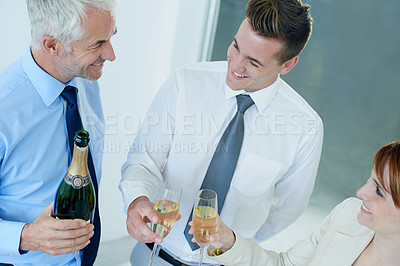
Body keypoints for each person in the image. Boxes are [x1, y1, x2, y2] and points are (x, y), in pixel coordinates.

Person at [119, 0, 323, 265]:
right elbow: (144, 158)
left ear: (288, 65)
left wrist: (235, 246)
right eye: (236, 46)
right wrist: (137, 200)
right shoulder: (186, 82)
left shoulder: (305, 127)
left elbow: (289, 207)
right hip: (153, 253)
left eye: (253, 62)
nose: (235, 66)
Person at [0, 0, 116, 265]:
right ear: (52, 45)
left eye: (111, 38)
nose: (111, 54)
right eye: (97, 44)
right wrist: (26, 237)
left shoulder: (82, 78)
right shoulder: (4, 112)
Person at [195, 141, 400, 265]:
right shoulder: (347, 216)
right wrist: (229, 242)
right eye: (371, 180)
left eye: (379, 191)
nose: (361, 192)